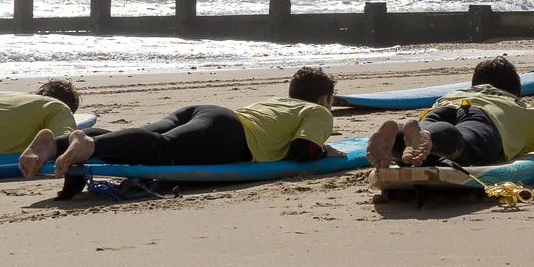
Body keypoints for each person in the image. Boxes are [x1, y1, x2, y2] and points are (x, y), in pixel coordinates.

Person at [44, 67, 339, 185]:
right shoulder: (318, 111)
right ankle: (89, 145)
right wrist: (325, 151)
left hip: (207, 113)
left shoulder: (279, 102)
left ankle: (54, 145)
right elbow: (302, 150)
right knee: (163, 150)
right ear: (325, 98)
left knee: (148, 136)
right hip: (229, 133)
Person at [366, 56, 534, 169]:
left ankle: (399, 135)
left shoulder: (454, 92)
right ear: (517, 92)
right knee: (464, 143)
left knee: (415, 148)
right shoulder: (518, 108)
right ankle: (427, 137)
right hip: (485, 116)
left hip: (443, 106)